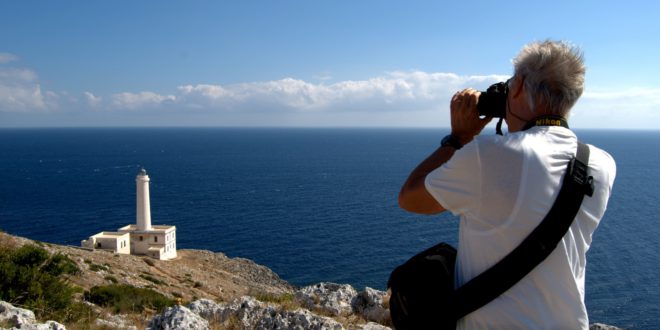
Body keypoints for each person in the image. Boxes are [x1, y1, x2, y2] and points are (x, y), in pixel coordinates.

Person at [398, 40, 616, 329]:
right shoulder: (602, 164)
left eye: (510, 82)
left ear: (517, 87)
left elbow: (410, 198)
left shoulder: (486, 155)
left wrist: (458, 139)